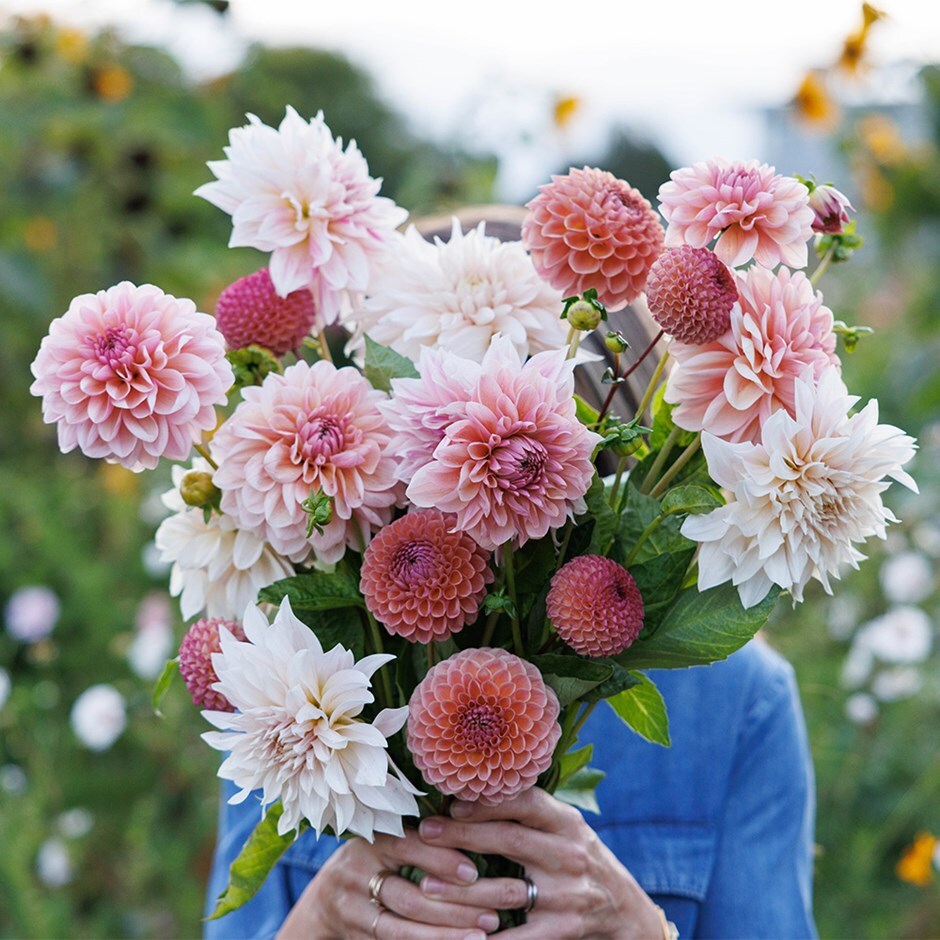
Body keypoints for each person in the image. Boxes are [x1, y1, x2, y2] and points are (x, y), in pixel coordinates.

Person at [203, 210, 818, 940]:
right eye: (429, 437)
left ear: (597, 446)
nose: (461, 488)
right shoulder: (287, 690)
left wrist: (635, 926)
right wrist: (320, 920)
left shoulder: (738, 703)